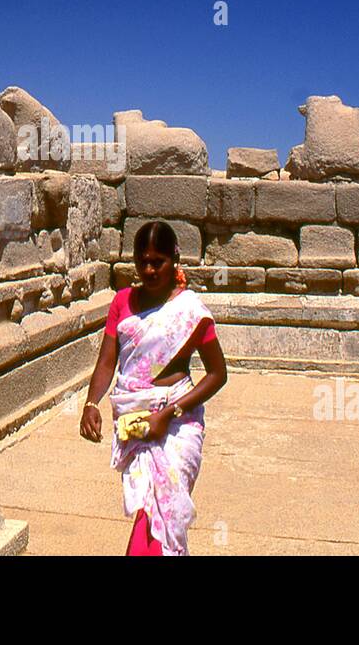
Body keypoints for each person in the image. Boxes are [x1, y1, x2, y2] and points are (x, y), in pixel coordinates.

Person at [79, 220, 228, 555]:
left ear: (175, 260)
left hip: (178, 422)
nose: (149, 270)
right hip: (135, 420)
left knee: (160, 515)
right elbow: (107, 362)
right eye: (142, 261)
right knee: (146, 509)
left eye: (157, 262)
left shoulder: (190, 311)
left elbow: (218, 374)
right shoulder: (122, 303)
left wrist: (169, 414)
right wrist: (91, 403)